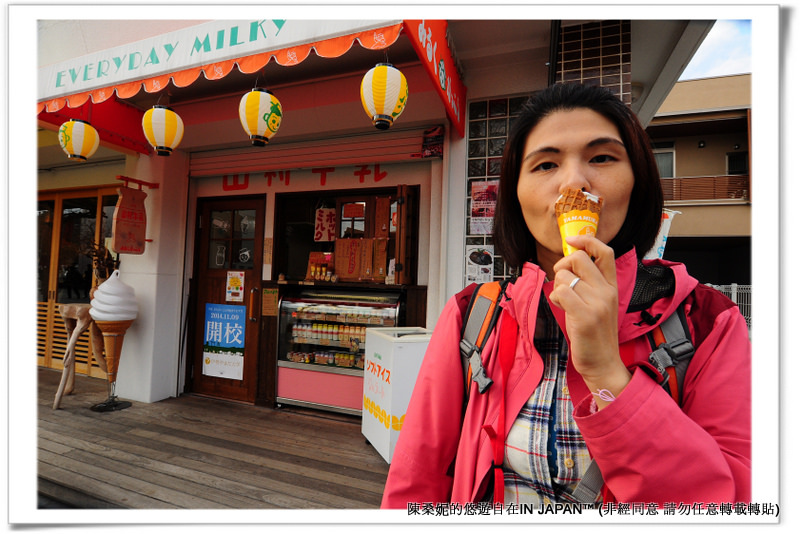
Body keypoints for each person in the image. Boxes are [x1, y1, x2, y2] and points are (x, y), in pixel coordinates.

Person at [381, 83, 751, 508]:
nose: (574, 181)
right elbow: (418, 473)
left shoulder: (707, 321)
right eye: (545, 165)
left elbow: (731, 504)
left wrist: (608, 375)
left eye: (602, 157)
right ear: (516, 195)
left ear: (638, 182)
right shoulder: (473, 312)